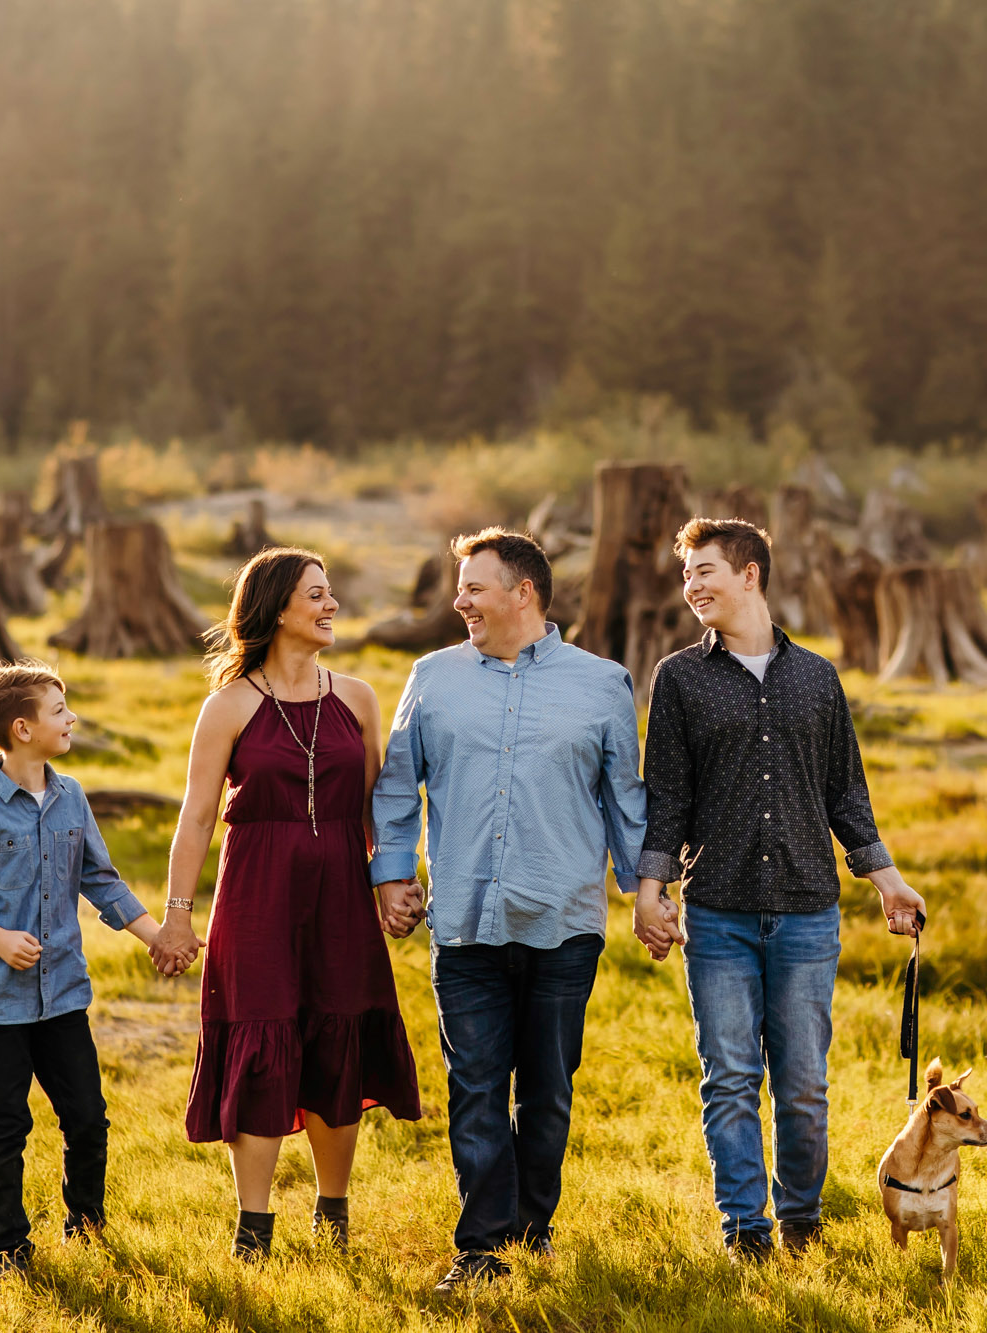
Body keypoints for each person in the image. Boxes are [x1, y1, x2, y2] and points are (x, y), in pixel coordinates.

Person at [633, 516, 926, 1261]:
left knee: (801, 1084)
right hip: (720, 911)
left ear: (750, 575)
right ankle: (745, 1230)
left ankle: (801, 1220)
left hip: (806, 914)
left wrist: (887, 880)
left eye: (706, 572)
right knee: (729, 1077)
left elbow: (845, 793)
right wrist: (651, 888)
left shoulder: (816, 677)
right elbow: (666, 795)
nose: (693, 586)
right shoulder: (680, 678)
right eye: (688, 574)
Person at [370, 527, 647, 1295]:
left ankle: (534, 1227)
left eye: (474, 587)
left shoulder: (602, 684)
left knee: (550, 1091)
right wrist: (393, 876)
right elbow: (396, 788)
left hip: (564, 918)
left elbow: (625, 800)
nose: (459, 600)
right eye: (460, 587)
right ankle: (481, 1246)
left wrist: (647, 893)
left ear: (523, 592)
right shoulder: (432, 676)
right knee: (478, 1086)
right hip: (463, 918)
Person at [160, 547, 423, 1261]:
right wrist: (179, 913)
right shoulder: (230, 704)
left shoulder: (359, 697)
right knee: (262, 1039)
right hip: (256, 896)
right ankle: (254, 1227)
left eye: (331, 592)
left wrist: (394, 881)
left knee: (339, 1033)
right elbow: (195, 816)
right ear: (278, 608)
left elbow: (381, 809)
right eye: (317, 594)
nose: (331, 604)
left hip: (341, 891)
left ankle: (332, 1212)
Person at [0, 659, 173, 1285]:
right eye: (59, 711)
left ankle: (85, 1227)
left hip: (62, 995)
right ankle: (8, 1251)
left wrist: (157, 937)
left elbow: (99, 878)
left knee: (87, 1116)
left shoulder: (72, 797)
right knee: (8, 1124)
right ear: (22, 729)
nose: (71, 720)